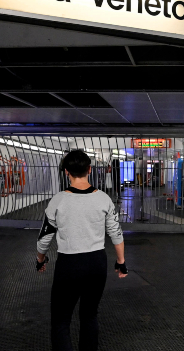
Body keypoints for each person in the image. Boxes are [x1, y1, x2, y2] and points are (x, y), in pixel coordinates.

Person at [36, 150, 127, 351]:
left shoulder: (58, 201)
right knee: (89, 314)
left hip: (69, 264)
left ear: (66, 172)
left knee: (61, 319)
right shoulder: (103, 199)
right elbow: (116, 233)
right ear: (89, 170)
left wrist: (40, 259)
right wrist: (121, 262)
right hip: (97, 262)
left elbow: (45, 238)